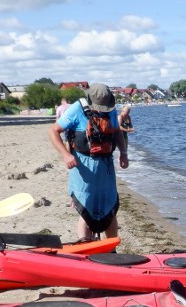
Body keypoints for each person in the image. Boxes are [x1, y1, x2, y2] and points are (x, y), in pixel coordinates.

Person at [48, 83, 128, 240]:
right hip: (83, 167)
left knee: (110, 209)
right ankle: (87, 248)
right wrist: (66, 155)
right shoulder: (77, 109)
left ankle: (111, 249)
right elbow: (53, 131)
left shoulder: (111, 109)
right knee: (87, 211)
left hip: (106, 168)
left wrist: (123, 153)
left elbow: (117, 131)